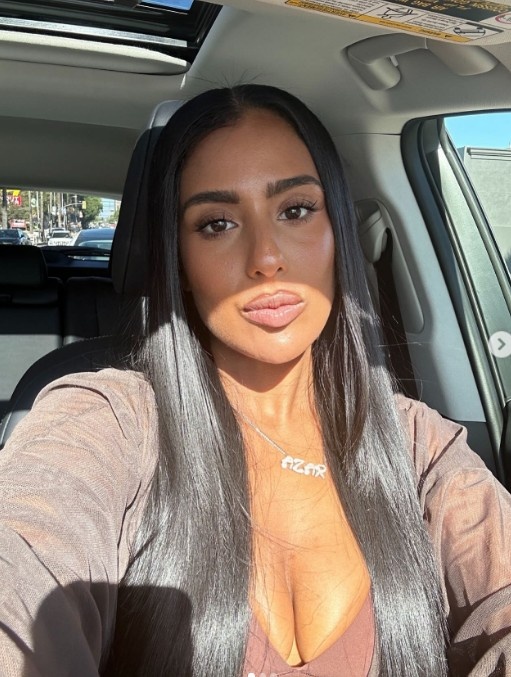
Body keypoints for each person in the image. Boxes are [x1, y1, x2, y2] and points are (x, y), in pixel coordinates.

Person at [0, 84, 510, 677]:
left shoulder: (419, 447)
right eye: (216, 223)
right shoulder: (109, 422)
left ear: (338, 231)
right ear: (178, 261)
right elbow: (24, 557)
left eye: (295, 210)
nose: (266, 258)